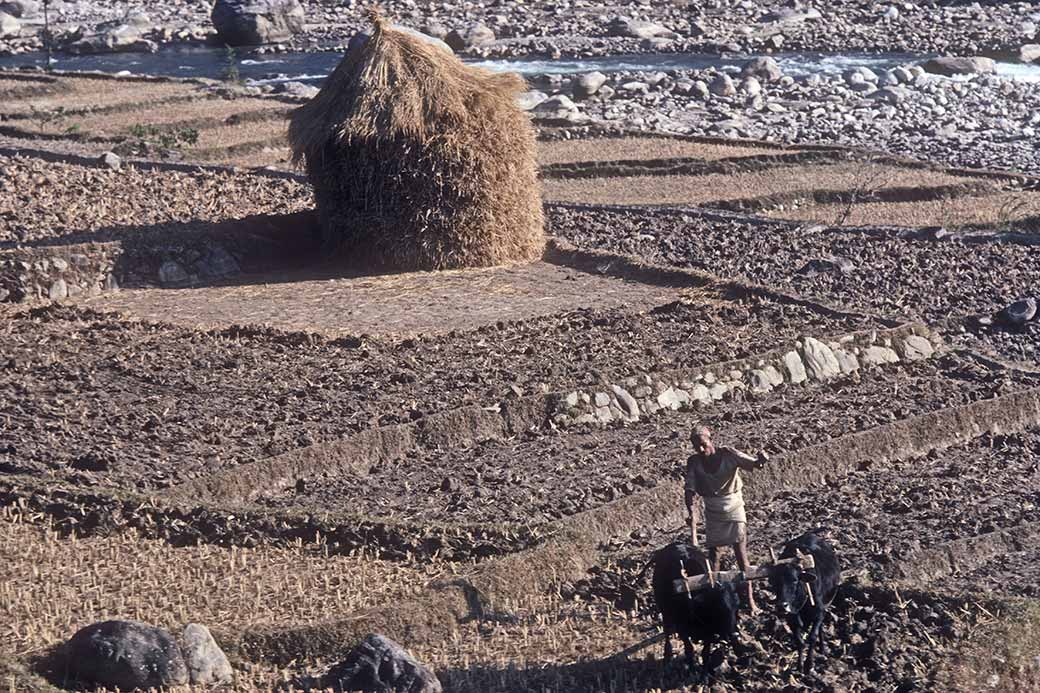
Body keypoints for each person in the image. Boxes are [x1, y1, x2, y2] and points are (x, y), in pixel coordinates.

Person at [684, 425, 769, 612]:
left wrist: (761, 459)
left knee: (741, 555)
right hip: (713, 511)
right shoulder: (694, 462)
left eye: (703, 444)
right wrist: (691, 510)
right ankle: (716, 600)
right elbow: (689, 487)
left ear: (710, 440)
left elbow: (755, 464)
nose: (700, 449)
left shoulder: (728, 454)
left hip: (734, 507)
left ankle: (750, 601)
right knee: (714, 556)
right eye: (696, 446)